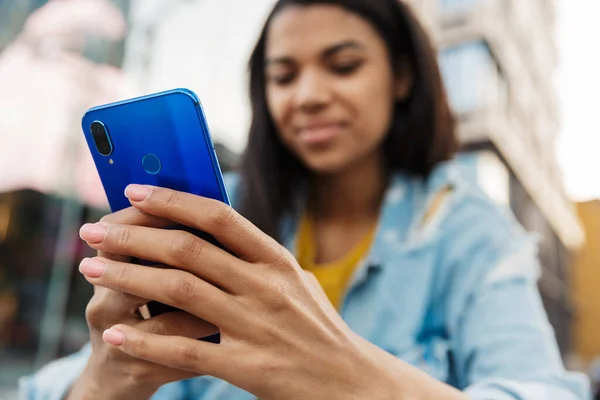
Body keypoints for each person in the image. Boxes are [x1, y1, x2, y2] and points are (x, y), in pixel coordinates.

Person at [21, 0, 589, 399]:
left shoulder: (467, 229)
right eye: (284, 76)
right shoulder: (221, 211)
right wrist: (107, 382)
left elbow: (538, 388)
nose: (310, 96)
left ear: (401, 77)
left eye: (344, 66)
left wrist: (352, 379)